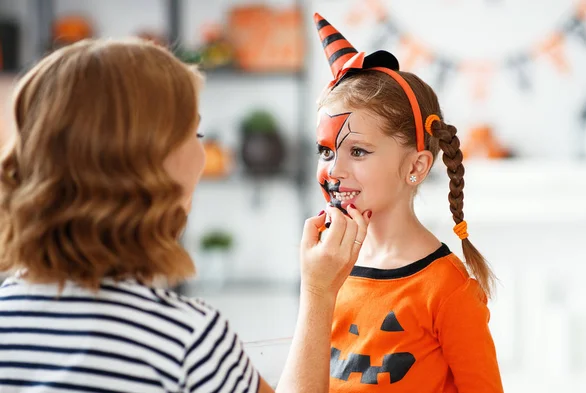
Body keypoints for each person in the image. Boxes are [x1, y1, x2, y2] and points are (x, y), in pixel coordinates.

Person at [0, 38, 370, 393]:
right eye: (197, 134)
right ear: (150, 168)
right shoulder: (185, 341)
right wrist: (319, 291)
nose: (204, 153)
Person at [313, 13, 504, 392]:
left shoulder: (448, 291)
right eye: (325, 150)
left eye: (359, 151)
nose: (334, 170)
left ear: (416, 166)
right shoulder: (326, 269)